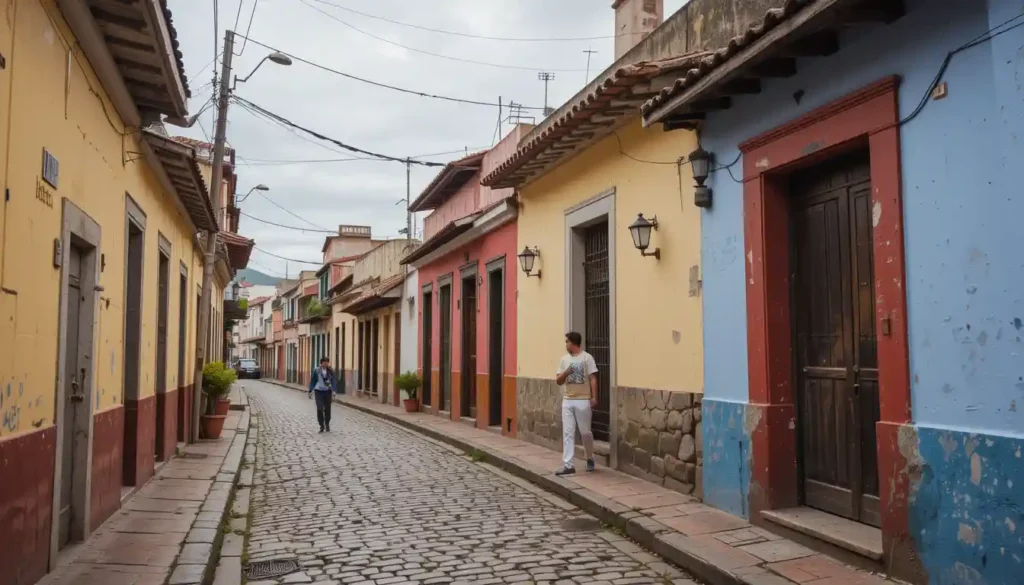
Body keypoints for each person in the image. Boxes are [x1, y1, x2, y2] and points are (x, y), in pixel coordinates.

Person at [555, 331, 598, 475]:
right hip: (568, 400)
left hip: (582, 400)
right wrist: (566, 372)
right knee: (568, 432)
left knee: (585, 432)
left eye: (567, 342)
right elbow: (558, 380)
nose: (566, 344)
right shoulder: (564, 360)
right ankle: (568, 465)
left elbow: (593, 378)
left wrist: (594, 397)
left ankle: (590, 457)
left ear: (573, 343)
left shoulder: (587, 358)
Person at [308, 357, 337, 433]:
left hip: (327, 391)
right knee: (319, 408)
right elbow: (313, 381)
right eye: (324, 362)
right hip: (318, 392)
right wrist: (310, 390)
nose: (326, 364)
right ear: (321, 363)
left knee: (328, 409)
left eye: (327, 362)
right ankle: (321, 425)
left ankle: (327, 423)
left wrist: (334, 391)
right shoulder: (317, 371)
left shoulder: (330, 371)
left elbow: (333, 381)